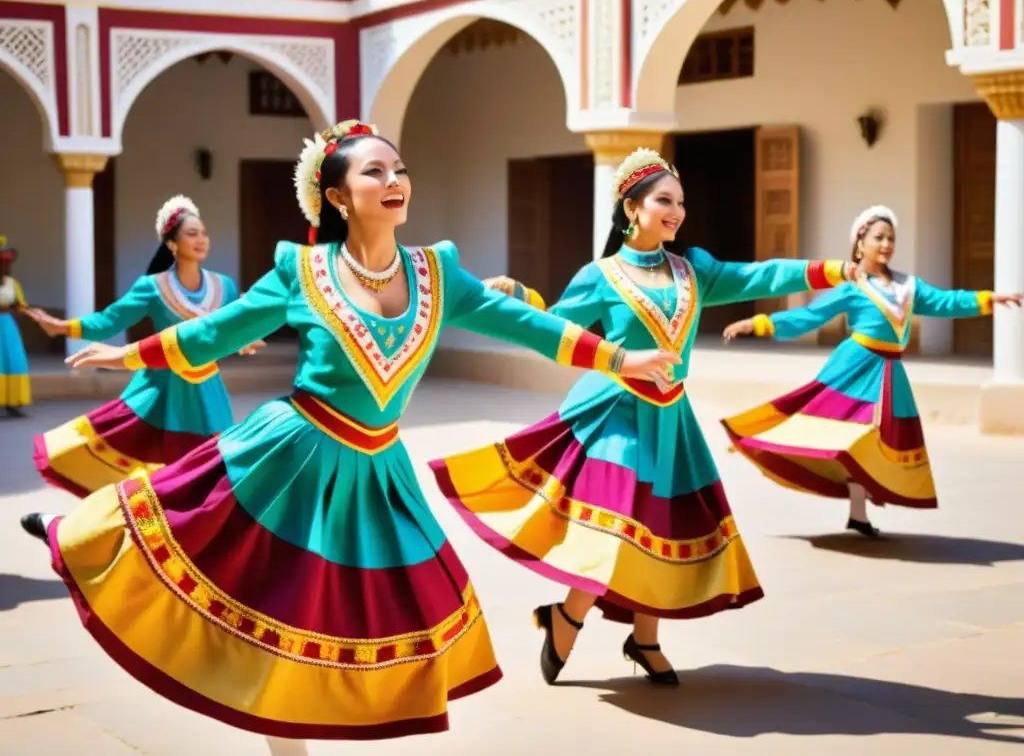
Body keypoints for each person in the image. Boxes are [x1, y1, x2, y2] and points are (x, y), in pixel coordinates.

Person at [18, 121, 677, 752]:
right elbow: (212, 334)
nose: (395, 180)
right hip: (289, 455)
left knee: (371, 607)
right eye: (375, 170)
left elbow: (525, 325)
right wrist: (123, 356)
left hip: (375, 468)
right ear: (337, 196)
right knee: (202, 547)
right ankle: (64, 532)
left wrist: (620, 359)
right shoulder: (300, 272)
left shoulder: (438, 273)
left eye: (400, 169)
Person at [429, 147, 860, 687]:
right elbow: (556, 328)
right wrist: (516, 295)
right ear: (632, 208)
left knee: (660, 526)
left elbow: (762, 276)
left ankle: (645, 638)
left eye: (680, 202)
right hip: (614, 412)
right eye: (664, 200)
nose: (676, 211)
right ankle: (568, 616)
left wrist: (837, 270)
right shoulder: (601, 275)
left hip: (671, 421)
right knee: (615, 526)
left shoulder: (695, 271)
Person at [720, 205, 1023, 537]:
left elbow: (944, 301)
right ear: (860, 243)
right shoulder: (851, 286)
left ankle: (858, 514)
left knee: (871, 440)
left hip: (890, 374)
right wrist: (759, 323)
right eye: (879, 237)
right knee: (849, 435)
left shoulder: (908, 287)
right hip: (855, 368)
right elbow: (809, 316)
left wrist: (988, 299)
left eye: (891, 238)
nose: (886, 245)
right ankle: (768, 445)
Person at [25, 196, 259, 497]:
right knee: (155, 477)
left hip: (207, 392)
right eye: (191, 233)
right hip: (160, 390)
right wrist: (61, 327)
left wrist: (245, 340)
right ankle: (141, 530)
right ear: (172, 243)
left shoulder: (223, 286)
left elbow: (231, 328)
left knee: (213, 471)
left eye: (203, 233)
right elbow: (109, 321)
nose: (201, 239)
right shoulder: (152, 287)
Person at [0, 237, 31, 417]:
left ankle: (12, 402)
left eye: (5, 263)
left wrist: (26, 311)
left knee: (12, 360)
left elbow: (21, 304)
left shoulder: (13, 284)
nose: (3, 267)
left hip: (7, 325)